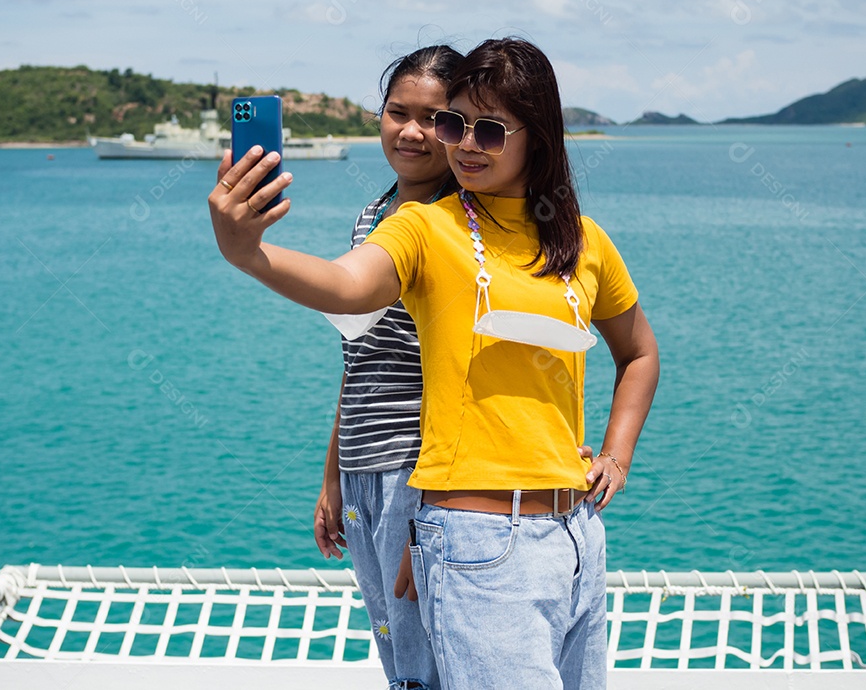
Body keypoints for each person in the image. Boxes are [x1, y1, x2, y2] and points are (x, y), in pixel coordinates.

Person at [209, 37, 659, 689]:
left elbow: (639, 351)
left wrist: (617, 455)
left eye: (489, 129)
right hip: (473, 534)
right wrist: (249, 253)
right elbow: (346, 288)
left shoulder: (584, 243)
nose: (464, 143)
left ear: (541, 136)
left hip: (575, 537)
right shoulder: (424, 227)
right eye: (457, 124)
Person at [314, 45, 463, 690]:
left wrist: (434, 506)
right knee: (396, 657)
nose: (411, 130)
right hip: (363, 468)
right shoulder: (371, 218)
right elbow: (357, 359)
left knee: (428, 655)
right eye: (397, 112)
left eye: (434, 117)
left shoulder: (456, 226)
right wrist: (332, 476)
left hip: (417, 470)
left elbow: (460, 375)